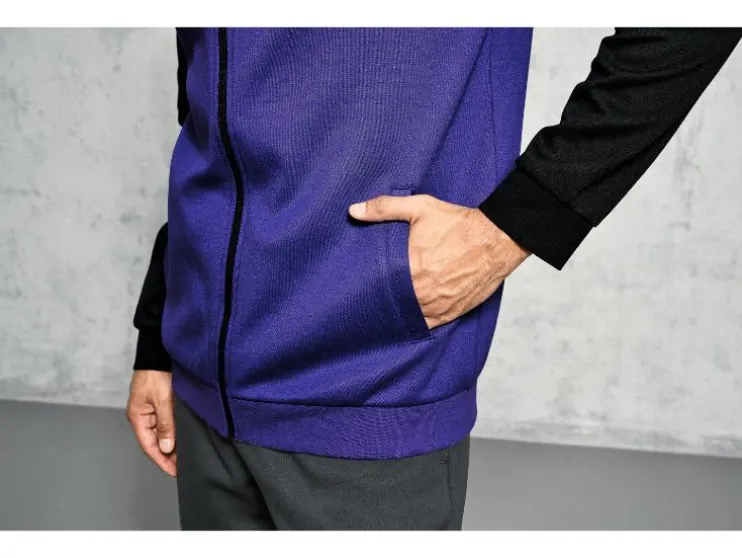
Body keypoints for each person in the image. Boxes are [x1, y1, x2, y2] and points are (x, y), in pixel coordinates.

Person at [126, 28, 741, 530]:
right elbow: (205, 110)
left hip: (370, 381)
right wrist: (160, 328)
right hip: (199, 386)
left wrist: (512, 227)